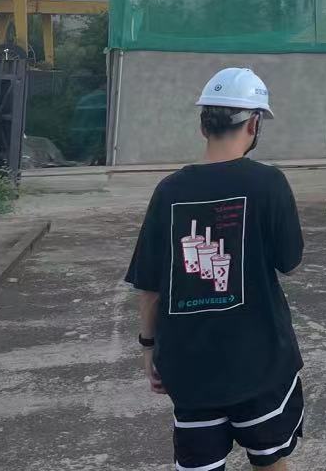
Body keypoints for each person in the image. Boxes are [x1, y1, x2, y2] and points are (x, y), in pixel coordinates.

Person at [126, 67, 305, 471]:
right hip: (261, 362)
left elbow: (150, 285)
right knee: (270, 459)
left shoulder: (169, 191)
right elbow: (289, 261)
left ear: (203, 125)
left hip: (190, 369)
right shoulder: (269, 184)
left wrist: (149, 347)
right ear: (254, 124)